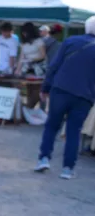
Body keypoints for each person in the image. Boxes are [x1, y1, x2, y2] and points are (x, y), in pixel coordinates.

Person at [34, 16, 95, 180]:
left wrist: (45, 88)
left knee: (52, 125)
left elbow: (54, 65)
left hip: (61, 89)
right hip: (85, 96)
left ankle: (44, 159)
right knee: (73, 131)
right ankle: (67, 169)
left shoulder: (70, 41)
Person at [15, 22, 46, 109]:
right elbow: (21, 57)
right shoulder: (24, 43)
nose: (24, 34)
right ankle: (29, 107)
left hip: (38, 68)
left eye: (25, 32)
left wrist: (31, 59)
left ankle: (30, 106)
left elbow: (43, 55)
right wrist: (18, 69)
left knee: (37, 89)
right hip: (27, 68)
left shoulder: (39, 42)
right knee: (29, 88)